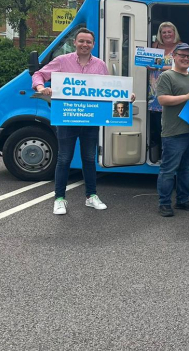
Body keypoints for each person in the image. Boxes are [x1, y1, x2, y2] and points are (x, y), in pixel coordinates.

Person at [33, 28, 134, 215]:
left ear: (93, 45)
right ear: (75, 43)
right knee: (64, 159)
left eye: (88, 42)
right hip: (67, 118)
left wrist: (126, 96)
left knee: (89, 158)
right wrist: (41, 87)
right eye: (81, 41)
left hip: (90, 120)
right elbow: (39, 74)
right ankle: (60, 198)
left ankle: (91, 196)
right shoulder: (62, 61)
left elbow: (109, 90)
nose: (85, 45)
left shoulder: (100, 65)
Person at [156, 42, 189, 217]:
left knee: (186, 169)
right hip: (174, 132)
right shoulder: (167, 76)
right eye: (182, 55)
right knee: (168, 170)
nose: (186, 59)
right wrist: (187, 96)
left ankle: (183, 200)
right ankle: (164, 203)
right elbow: (162, 100)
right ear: (174, 56)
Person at [147, 22, 180, 163]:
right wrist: (149, 65)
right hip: (155, 89)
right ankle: (160, 155)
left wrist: (160, 67)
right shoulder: (155, 46)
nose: (166, 34)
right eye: (163, 32)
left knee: (170, 125)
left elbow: (181, 65)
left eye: (169, 31)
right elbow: (148, 62)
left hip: (173, 88)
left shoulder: (181, 46)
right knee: (156, 125)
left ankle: (170, 157)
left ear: (174, 32)